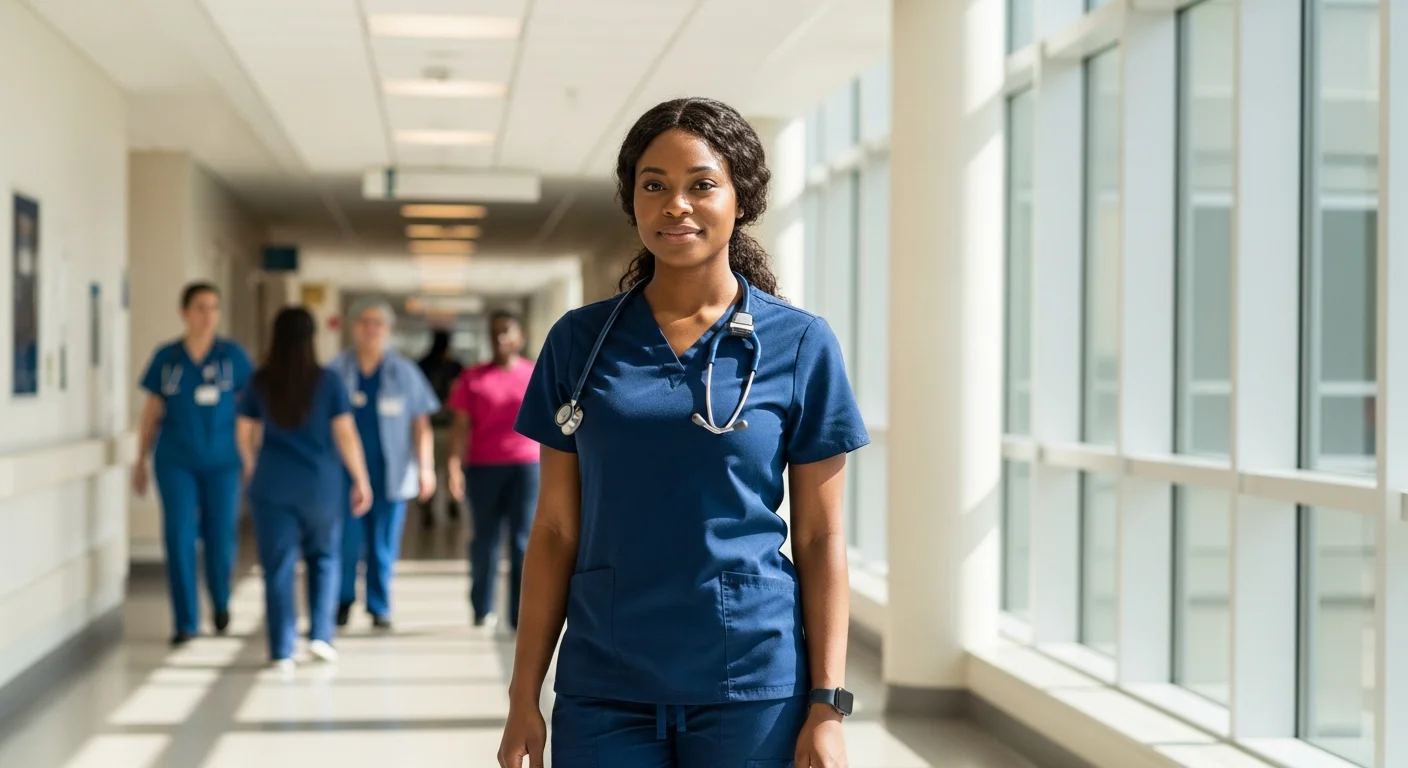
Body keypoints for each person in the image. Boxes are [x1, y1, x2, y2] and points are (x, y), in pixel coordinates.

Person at [497, 97, 869, 768]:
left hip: (750, 683)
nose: (676, 205)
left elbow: (821, 535)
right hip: (607, 681)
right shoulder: (578, 343)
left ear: (741, 197)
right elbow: (553, 529)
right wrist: (525, 694)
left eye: (701, 184)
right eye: (654, 186)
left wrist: (828, 703)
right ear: (632, 200)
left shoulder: (801, 345)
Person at [236, 307, 373, 670]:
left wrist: (251, 466)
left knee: (278, 565)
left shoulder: (260, 380)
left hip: (272, 483)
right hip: (319, 485)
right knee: (325, 558)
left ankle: (281, 649)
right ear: (312, 339)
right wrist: (361, 478)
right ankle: (321, 637)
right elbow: (345, 434)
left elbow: (244, 431)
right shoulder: (327, 381)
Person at [133, 282, 253, 646]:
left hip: (223, 461)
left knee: (221, 536)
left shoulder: (231, 356)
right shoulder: (167, 358)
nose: (208, 315)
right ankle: (185, 620)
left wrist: (249, 455)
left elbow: (248, 411)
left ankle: (220, 600)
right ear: (184, 312)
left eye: (214, 308)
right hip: (176, 461)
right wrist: (140, 459)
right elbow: (152, 410)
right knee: (179, 535)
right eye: (200, 307)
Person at [331, 299, 440, 630]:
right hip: (344, 476)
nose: (371, 329)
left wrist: (425, 468)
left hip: (392, 474)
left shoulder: (404, 372)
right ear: (354, 328)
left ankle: (379, 605)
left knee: (382, 546)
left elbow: (421, 424)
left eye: (378, 323)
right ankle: (343, 599)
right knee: (346, 543)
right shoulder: (336, 371)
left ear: (388, 330)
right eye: (364, 321)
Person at [446, 310, 540, 632]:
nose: (500, 338)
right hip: (483, 467)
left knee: (522, 542)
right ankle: (481, 608)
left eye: (507, 332)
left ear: (520, 337)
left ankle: (518, 613)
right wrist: (453, 467)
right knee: (485, 541)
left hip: (526, 467)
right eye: (495, 332)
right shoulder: (473, 378)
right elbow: (460, 427)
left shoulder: (534, 374)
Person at [418, 330, 464, 527]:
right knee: (450, 467)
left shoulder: (421, 366)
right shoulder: (455, 367)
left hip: (427, 425)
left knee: (429, 467)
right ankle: (453, 502)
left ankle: (427, 507)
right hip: (451, 425)